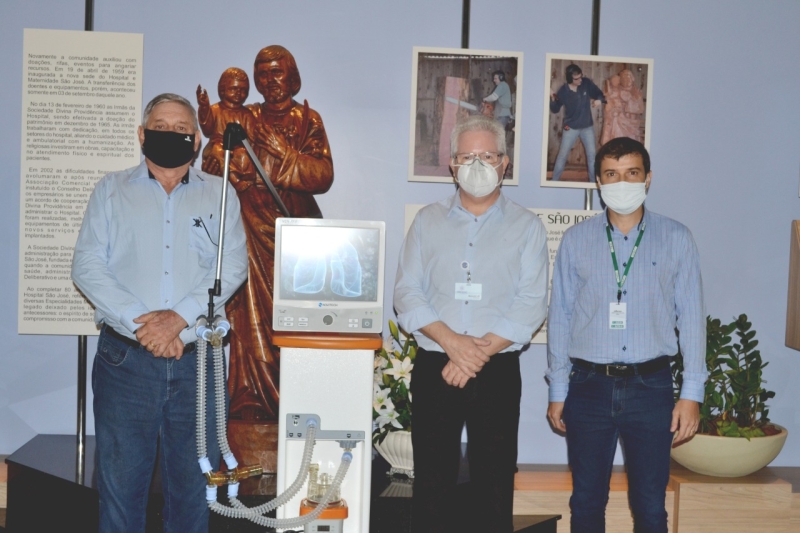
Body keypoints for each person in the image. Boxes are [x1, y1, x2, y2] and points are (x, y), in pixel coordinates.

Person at [71, 93, 249, 532]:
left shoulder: (221, 194)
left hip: (198, 364)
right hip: (126, 361)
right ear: (142, 133)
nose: (171, 134)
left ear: (196, 140)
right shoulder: (110, 190)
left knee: (192, 493)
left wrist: (178, 319)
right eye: (162, 126)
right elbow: (88, 267)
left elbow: (232, 267)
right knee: (120, 491)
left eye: (181, 129)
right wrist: (144, 322)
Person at [394, 114, 548, 533]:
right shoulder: (427, 221)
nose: (477, 164)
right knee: (431, 483)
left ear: (505, 163)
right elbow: (406, 294)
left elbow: (532, 303)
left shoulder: (527, 226)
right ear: (452, 164)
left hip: (496, 369)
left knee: (495, 484)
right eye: (467, 156)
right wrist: (452, 344)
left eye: (487, 155)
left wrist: (474, 353)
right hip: (435, 365)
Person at [546, 137, 706, 533]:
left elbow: (692, 318)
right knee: (585, 501)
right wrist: (557, 391)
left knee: (651, 505)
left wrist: (692, 394)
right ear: (599, 182)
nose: (622, 183)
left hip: (650, 386)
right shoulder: (576, 241)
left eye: (631, 173)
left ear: (648, 178)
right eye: (611, 175)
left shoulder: (677, 238)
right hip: (587, 387)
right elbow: (560, 317)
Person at [203, 45, 334, 422]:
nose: (269, 80)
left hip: (292, 233)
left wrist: (285, 156)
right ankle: (248, 398)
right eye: (262, 73)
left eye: (276, 72)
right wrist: (218, 159)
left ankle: (294, 401)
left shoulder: (307, 119)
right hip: (248, 228)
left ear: (291, 75)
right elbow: (215, 159)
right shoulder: (245, 115)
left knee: (295, 318)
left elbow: (323, 175)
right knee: (248, 313)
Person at [196, 67, 256, 187]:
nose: (238, 93)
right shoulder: (215, 110)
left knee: (245, 154)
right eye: (234, 89)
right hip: (215, 147)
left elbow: (252, 138)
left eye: (243, 90)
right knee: (218, 150)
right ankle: (232, 177)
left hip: (237, 150)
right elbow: (207, 129)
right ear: (222, 90)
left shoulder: (246, 114)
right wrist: (204, 107)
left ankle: (245, 178)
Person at [549, 63, 606, 182]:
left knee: (592, 157)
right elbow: (555, 109)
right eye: (577, 79)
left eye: (581, 76)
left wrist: (599, 100)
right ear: (570, 78)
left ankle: (593, 183)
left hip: (587, 127)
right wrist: (552, 98)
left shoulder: (586, 83)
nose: (580, 80)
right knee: (562, 156)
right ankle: (554, 182)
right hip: (571, 128)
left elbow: (599, 94)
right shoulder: (563, 91)